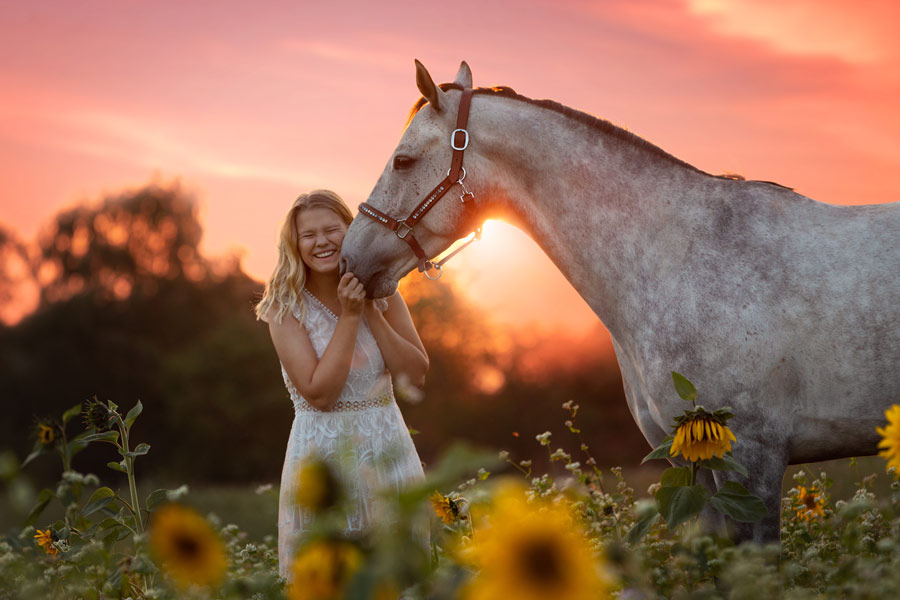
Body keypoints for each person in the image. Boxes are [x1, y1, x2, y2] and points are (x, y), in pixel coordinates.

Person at [255, 190, 428, 577]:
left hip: (388, 453)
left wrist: (370, 308)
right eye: (308, 235)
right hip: (324, 465)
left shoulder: (385, 293)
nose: (321, 242)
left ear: (352, 231)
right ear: (295, 244)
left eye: (332, 230)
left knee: (402, 578)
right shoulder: (283, 307)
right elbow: (319, 394)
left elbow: (415, 374)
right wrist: (350, 317)